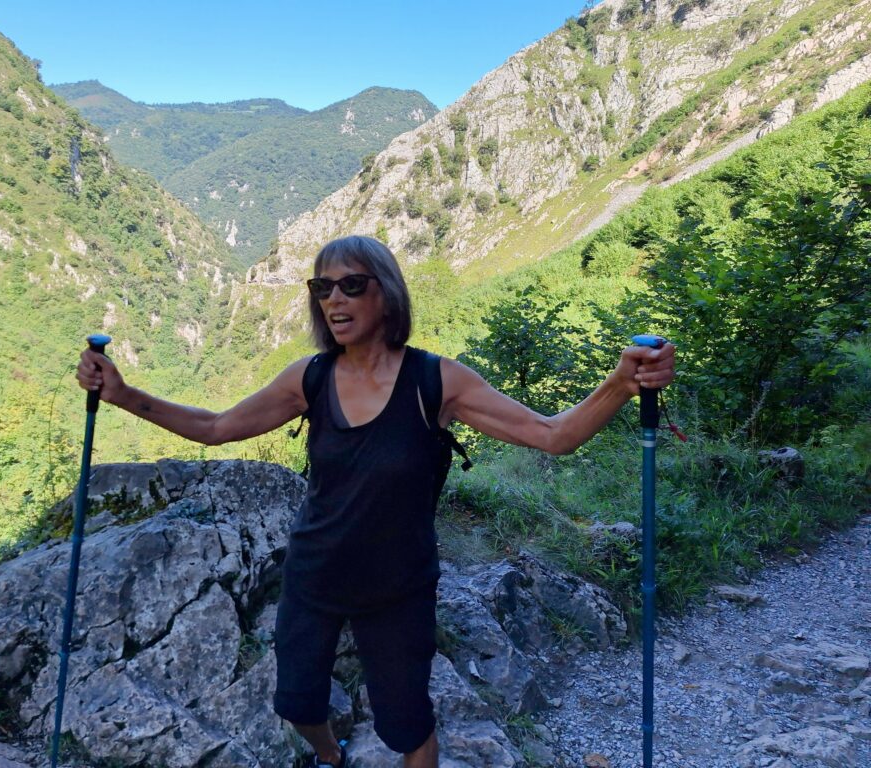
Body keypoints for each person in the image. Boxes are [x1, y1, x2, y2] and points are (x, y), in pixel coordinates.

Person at [76, 235, 675, 768]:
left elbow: (554, 436)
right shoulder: (308, 378)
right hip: (314, 576)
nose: (333, 300)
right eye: (322, 287)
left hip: (398, 587)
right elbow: (215, 427)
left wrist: (620, 383)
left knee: (406, 725)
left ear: (385, 295)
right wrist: (125, 395)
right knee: (297, 702)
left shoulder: (437, 382)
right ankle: (331, 755)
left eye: (351, 286)